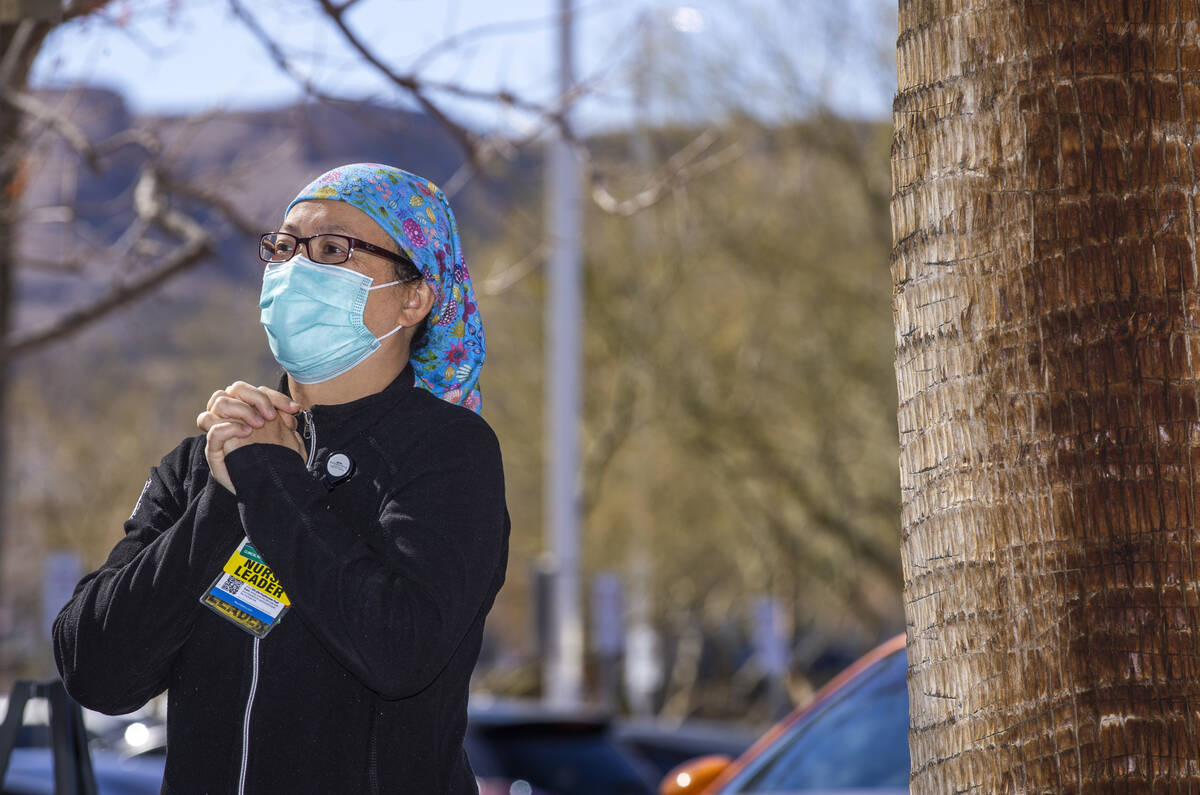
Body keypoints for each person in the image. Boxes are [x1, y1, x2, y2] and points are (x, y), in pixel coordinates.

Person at [52, 163, 510, 794]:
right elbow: (96, 671)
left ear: (415, 296)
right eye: (284, 248)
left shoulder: (448, 451)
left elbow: (397, 650)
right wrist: (222, 497)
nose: (295, 268)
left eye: (332, 250)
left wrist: (271, 478)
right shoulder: (201, 464)